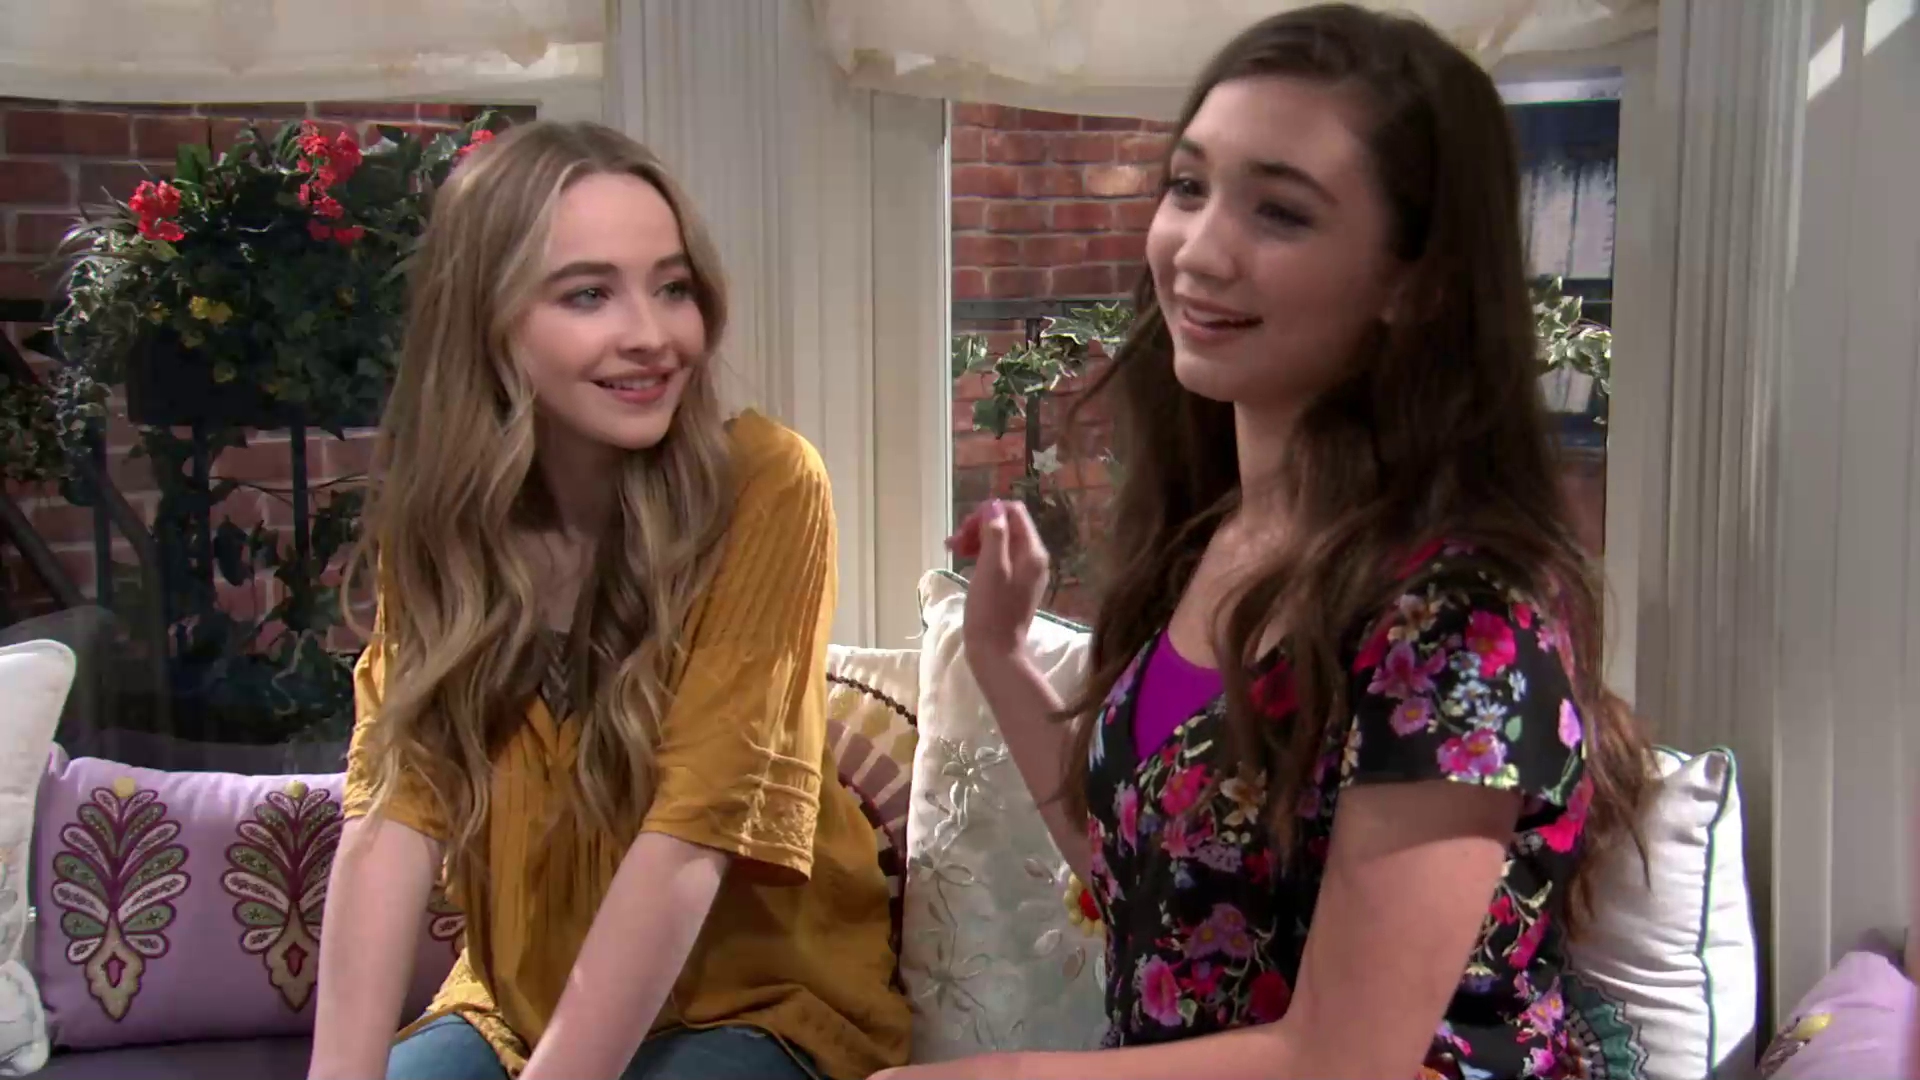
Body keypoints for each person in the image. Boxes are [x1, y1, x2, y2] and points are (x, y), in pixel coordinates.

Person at [886, 6, 1654, 1079]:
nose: (1199, 250)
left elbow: (1345, 1059)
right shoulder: (1214, 537)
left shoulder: (1465, 619)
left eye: (1281, 212)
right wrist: (999, 654)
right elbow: (1155, 892)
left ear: (1417, 280)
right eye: (1188, 187)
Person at [308, 120, 910, 1080]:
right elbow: (392, 817)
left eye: (672, 287)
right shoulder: (443, 521)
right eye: (589, 294)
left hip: (755, 1007)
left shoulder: (768, 483)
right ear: (487, 321)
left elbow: (692, 838)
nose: (651, 335)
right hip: (513, 1008)